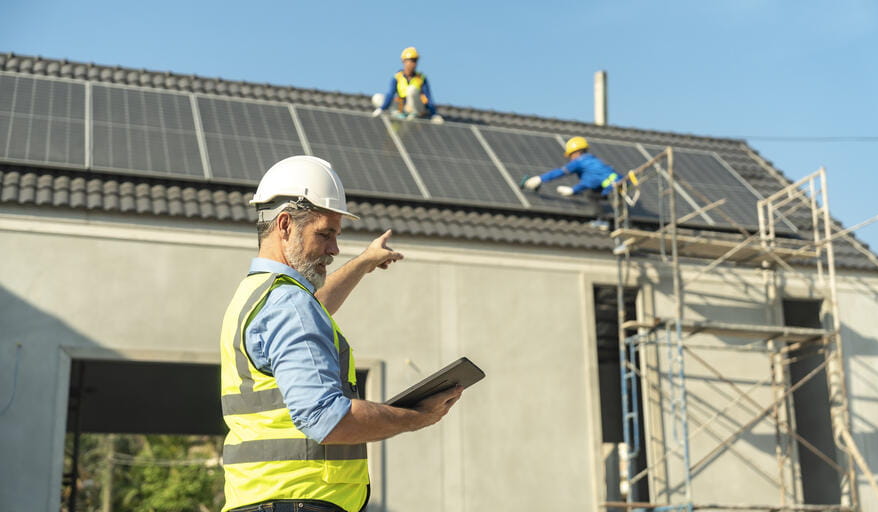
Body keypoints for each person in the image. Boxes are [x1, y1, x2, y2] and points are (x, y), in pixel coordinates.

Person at [220, 155, 463, 512]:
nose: (334, 249)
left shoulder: (261, 295)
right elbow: (326, 418)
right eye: (325, 233)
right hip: (299, 502)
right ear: (285, 225)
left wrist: (364, 263)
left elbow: (313, 308)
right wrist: (418, 418)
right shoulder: (288, 305)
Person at [520, 136, 622, 225]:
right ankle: (611, 219)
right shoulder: (592, 160)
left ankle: (602, 220)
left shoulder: (580, 162)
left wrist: (540, 179)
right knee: (591, 193)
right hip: (616, 185)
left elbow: (562, 173)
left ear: (576, 152)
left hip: (611, 188)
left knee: (589, 194)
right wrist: (576, 191)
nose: (570, 158)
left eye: (571, 155)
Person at [371, 46, 444, 124]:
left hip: (417, 108)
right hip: (402, 108)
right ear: (404, 61)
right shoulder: (397, 77)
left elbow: (428, 97)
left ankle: (413, 114)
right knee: (377, 98)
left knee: (411, 89)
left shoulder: (421, 78)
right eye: (411, 60)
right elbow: (390, 94)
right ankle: (397, 114)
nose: (414, 64)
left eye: (415, 61)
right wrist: (381, 109)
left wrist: (434, 114)